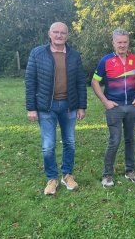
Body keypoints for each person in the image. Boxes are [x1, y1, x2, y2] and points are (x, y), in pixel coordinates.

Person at [25, 22, 87, 195]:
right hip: (46, 107)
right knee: (48, 145)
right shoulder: (37, 53)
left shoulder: (74, 55)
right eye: (56, 32)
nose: (59, 35)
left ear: (67, 35)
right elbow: (30, 82)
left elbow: (81, 82)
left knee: (70, 143)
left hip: (69, 106)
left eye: (63, 33)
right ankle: (52, 178)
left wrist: (82, 106)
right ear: (49, 34)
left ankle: (67, 175)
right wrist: (31, 108)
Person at [91, 28, 135, 187]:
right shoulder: (106, 60)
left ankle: (130, 170)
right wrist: (105, 101)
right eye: (119, 42)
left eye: (125, 42)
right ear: (113, 43)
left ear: (128, 43)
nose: (122, 45)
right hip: (114, 107)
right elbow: (94, 82)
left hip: (132, 106)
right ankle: (107, 175)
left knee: (130, 139)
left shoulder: (134, 59)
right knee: (114, 140)